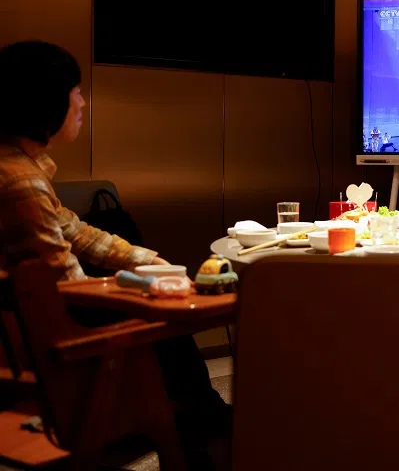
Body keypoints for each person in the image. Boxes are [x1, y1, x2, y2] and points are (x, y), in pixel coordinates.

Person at [0, 41, 230, 468]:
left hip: (44, 330)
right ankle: (205, 434)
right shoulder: (19, 182)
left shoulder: (20, 166)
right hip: (63, 347)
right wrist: (141, 290)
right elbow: (65, 286)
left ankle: (206, 422)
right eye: (75, 91)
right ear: (47, 101)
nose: (82, 102)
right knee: (169, 324)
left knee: (163, 308)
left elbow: (76, 231)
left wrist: (148, 262)